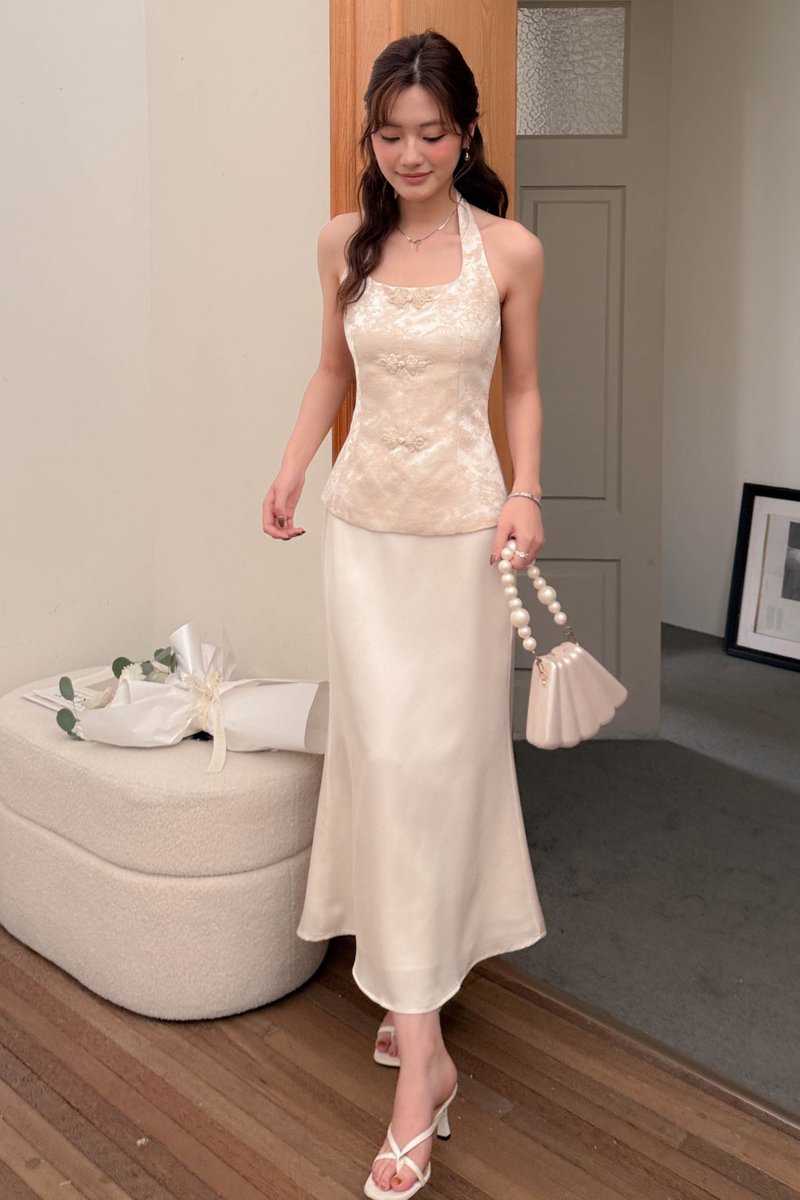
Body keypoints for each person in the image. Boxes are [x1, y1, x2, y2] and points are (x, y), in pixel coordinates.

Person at [262, 29, 547, 1198]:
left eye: (432, 134)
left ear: (464, 135)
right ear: (370, 139)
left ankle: (417, 1040)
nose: (411, 153)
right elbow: (331, 372)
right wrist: (289, 468)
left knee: (438, 770)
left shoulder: (510, 251)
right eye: (391, 135)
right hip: (365, 539)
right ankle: (416, 1027)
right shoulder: (343, 242)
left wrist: (526, 492)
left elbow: (520, 386)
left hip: (461, 542)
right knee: (381, 768)